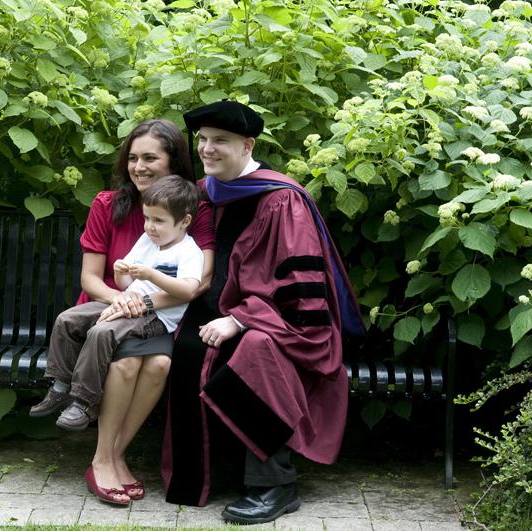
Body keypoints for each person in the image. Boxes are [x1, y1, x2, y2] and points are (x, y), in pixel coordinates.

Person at [161, 101, 365, 524]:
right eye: (202, 140)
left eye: (220, 140)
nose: (207, 148)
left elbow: (300, 299)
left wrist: (238, 319)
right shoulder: (205, 194)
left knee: (255, 350)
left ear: (248, 144)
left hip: (283, 327)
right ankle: (209, 475)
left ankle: (273, 484)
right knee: (185, 346)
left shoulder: (280, 200)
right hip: (209, 312)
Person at [32, 120, 215, 506]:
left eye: (151, 158)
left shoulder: (190, 207)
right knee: (127, 365)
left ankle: (113, 455)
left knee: (159, 365)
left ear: (173, 162)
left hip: (156, 313)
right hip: (109, 308)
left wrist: (143, 302)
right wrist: (121, 299)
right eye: (133, 158)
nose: (139, 167)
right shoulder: (107, 204)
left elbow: (198, 281)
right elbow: (90, 278)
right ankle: (101, 456)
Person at [30, 175, 204, 433]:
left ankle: (84, 403)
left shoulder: (189, 252)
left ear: (184, 222)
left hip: (156, 316)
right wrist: (121, 270)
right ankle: (60, 387)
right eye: (146, 218)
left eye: (158, 221)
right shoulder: (148, 241)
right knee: (67, 319)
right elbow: (125, 285)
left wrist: (151, 275)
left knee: (101, 332)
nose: (149, 227)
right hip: (128, 302)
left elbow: (189, 290)